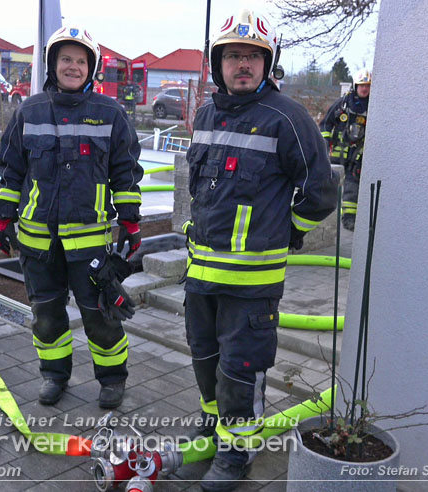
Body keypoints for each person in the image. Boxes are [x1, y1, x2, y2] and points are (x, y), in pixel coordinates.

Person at [182, 8, 337, 491]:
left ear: (268, 63)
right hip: (200, 275)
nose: (243, 64)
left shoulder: (287, 118)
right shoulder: (206, 114)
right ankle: (213, 427)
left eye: (253, 55)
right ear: (218, 63)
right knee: (204, 359)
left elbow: (321, 192)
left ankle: (236, 453)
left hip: (251, 285)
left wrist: (287, 232)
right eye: (233, 55)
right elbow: (201, 188)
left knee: (240, 371)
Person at [0, 25, 144, 409]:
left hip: (89, 244)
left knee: (100, 315)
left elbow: (125, 172)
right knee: (46, 316)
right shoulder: (29, 111)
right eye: (65, 59)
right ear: (52, 64)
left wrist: (130, 221)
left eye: (80, 60)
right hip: (37, 243)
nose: (72, 67)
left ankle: (112, 379)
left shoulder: (110, 114)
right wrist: (4, 218)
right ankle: (54, 375)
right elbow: (11, 169)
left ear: (91, 67)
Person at [320, 68, 371, 231]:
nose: (364, 89)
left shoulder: (373, 107)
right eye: (362, 85)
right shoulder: (343, 104)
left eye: (368, 86)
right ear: (355, 86)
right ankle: (321, 213)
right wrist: (325, 141)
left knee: (352, 186)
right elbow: (326, 123)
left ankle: (349, 219)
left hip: (356, 156)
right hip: (337, 153)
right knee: (329, 183)